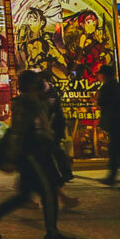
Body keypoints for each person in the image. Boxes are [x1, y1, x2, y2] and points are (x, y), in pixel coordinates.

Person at [0, 70, 77, 239]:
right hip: (32, 153)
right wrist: (12, 158)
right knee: (48, 190)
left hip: (35, 151)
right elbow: (20, 131)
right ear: (31, 85)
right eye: (37, 82)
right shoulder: (26, 103)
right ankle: (52, 231)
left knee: (25, 195)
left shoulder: (35, 102)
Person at [42, 76, 78, 209]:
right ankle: (62, 198)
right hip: (38, 143)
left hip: (43, 140)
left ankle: (62, 198)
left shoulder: (43, 97)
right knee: (44, 173)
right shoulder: (33, 101)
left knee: (45, 173)